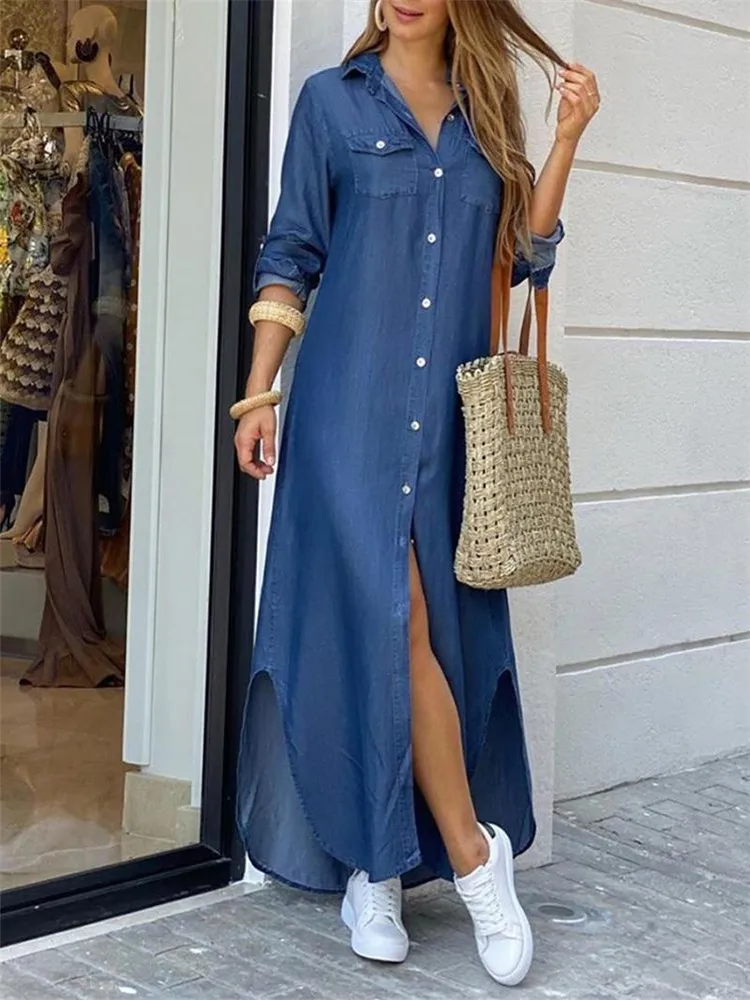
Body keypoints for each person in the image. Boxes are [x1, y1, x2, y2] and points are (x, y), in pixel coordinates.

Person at [233, 0, 599, 988]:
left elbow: (523, 258)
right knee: (392, 624)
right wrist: (259, 392)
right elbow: (290, 253)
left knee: (415, 636)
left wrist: (566, 140)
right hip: (345, 416)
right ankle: (475, 861)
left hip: (445, 430)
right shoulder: (330, 103)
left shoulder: (487, 118)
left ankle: (378, 869)